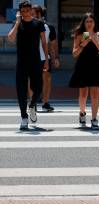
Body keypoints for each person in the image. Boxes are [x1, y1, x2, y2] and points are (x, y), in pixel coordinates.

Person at [7, 1, 49, 130]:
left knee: (38, 89)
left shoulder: (38, 23)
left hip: (36, 61)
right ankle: (24, 117)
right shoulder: (17, 24)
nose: (25, 13)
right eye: (23, 11)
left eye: (27, 10)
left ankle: (32, 106)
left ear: (31, 10)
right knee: (21, 90)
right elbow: (10, 38)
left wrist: (46, 59)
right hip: (21, 62)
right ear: (19, 12)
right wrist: (18, 22)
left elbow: (43, 42)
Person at [69, 12, 99, 129]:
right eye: (87, 21)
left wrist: (96, 42)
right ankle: (82, 113)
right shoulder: (80, 35)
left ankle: (94, 119)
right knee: (83, 93)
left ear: (94, 23)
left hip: (95, 66)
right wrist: (83, 44)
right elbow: (74, 54)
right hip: (82, 66)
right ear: (84, 23)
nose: (89, 23)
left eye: (91, 21)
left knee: (95, 94)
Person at [30, 5, 60, 112]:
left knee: (47, 80)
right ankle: (33, 103)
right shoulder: (28, 25)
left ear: (39, 14)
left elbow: (53, 44)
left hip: (44, 58)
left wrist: (55, 58)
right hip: (31, 58)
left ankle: (45, 103)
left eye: (32, 13)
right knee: (31, 81)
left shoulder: (49, 27)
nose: (30, 15)